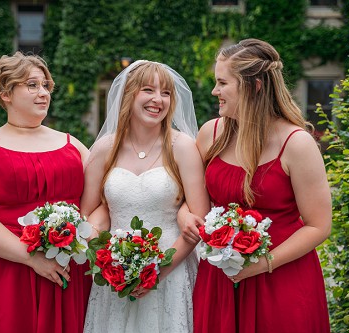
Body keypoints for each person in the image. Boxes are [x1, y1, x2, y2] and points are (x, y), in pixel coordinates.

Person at [188, 39, 332, 332]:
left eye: (222, 83)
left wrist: (263, 263)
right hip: (220, 278)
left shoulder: (297, 143)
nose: (215, 91)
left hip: (280, 278)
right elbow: (187, 198)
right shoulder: (210, 134)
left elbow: (319, 225)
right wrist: (185, 216)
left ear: (253, 87)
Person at [0, 52, 92, 333]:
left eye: (46, 86)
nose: (43, 93)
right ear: (6, 93)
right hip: (6, 273)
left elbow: (100, 200)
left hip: (67, 271)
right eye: (32, 85)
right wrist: (31, 258)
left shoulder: (73, 145)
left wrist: (81, 238)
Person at [81, 60, 210, 333]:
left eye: (165, 93)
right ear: (129, 94)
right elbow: (90, 212)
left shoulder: (183, 148)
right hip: (115, 275)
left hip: (171, 272)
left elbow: (198, 220)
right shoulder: (105, 148)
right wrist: (106, 258)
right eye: (148, 90)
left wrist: (157, 272)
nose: (158, 99)